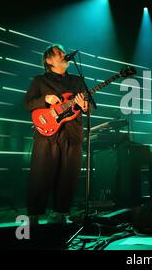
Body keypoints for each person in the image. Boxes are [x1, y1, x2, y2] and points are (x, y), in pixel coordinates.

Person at [24, 44, 89, 225]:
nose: (63, 54)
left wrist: (85, 106)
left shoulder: (77, 80)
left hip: (72, 132)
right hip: (47, 134)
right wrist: (45, 99)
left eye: (62, 52)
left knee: (69, 175)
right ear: (49, 60)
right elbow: (28, 103)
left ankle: (61, 212)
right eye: (58, 53)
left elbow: (89, 104)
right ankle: (34, 215)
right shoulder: (40, 81)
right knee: (41, 173)